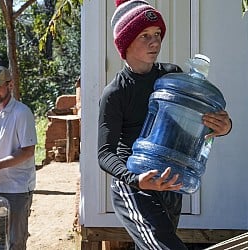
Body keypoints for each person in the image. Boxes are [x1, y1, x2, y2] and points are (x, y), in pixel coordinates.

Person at [98, 1, 233, 249]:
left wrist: (222, 127)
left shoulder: (172, 77)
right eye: (145, 36)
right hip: (134, 185)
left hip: (170, 181)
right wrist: (135, 179)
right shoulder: (116, 92)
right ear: (125, 42)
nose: (155, 42)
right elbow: (104, 154)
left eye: (158, 34)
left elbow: (194, 127)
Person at [0, 65, 37, 250]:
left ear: (10, 85)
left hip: (17, 186)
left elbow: (28, 151)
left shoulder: (22, 113)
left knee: (15, 240)